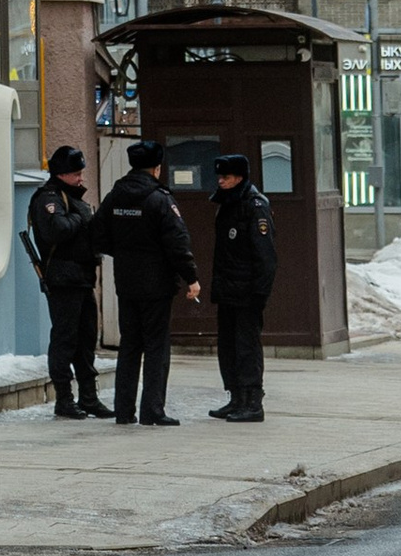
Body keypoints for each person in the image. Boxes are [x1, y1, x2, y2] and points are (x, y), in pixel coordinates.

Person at [87, 137, 200, 426]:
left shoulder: (116, 195)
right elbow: (177, 242)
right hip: (157, 284)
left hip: (126, 282)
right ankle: (153, 410)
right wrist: (191, 277)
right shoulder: (159, 199)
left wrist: (125, 253)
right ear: (156, 168)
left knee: (129, 346)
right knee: (156, 347)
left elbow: (97, 235)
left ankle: (124, 411)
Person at [26, 144, 104, 417]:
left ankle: (89, 397)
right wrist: (80, 218)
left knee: (86, 339)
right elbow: (56, 231)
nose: (81, 178)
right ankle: (64, 398)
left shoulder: (70, 198)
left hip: (81, 277)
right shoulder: (48, 198)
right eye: (76, 174)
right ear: (61, 174)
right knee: (65, 339)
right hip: (63, 279)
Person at [207, 149, 279, 422]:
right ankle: (236, 397)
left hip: (247, 291)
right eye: (219, 177)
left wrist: (260, 292)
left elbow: (265, 255)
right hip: (228, 289)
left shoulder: (255, 206)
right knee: (228, 346)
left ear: (239, 178)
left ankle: (252, 401)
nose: (220, 182)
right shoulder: (227, 204)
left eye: (225, 177)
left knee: (246, 346)